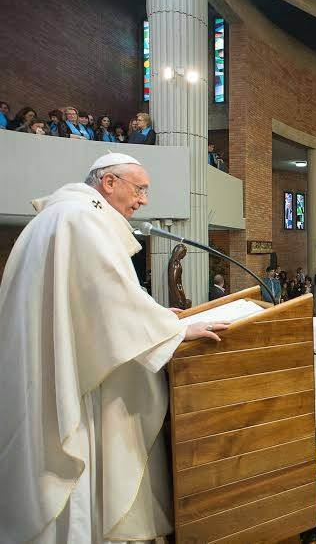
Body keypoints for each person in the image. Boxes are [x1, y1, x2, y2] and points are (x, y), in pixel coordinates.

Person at [0, 153, 229, 543]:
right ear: (109, 182)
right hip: (66, 372)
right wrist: (174, 329)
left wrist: (157, 317)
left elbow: (92, 301)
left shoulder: (59, 215)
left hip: (46, 361)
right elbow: (108, 295)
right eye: (140, 189)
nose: (143, 200)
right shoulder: (82, 219)